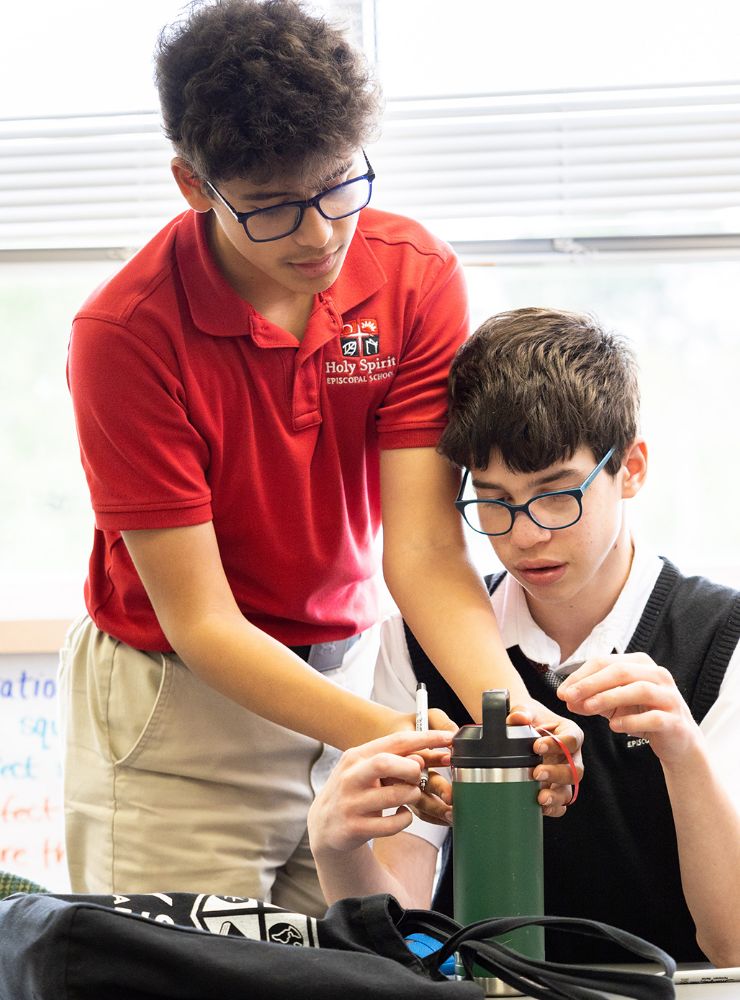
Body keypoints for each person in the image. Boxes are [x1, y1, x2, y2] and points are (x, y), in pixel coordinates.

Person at [61, 2, 579, 912]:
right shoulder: (127, 335)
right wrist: (406, 738)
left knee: (352, 965)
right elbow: (203, 622)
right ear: (193, 185)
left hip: (344, 675)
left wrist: (512, 711)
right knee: (191, 971)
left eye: (339, 186)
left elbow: (424, 548)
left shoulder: (412, 275)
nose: (320, 235)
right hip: (181, 709)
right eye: (271, 207)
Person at [307, 307, 740, 967]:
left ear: (631, 469)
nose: (526, 535)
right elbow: (402, 944)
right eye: (493, 500)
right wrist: (336, 848)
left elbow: (733, 945)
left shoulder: (720, 639)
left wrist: (682, 751)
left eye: (557, 494)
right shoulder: (421, 644)